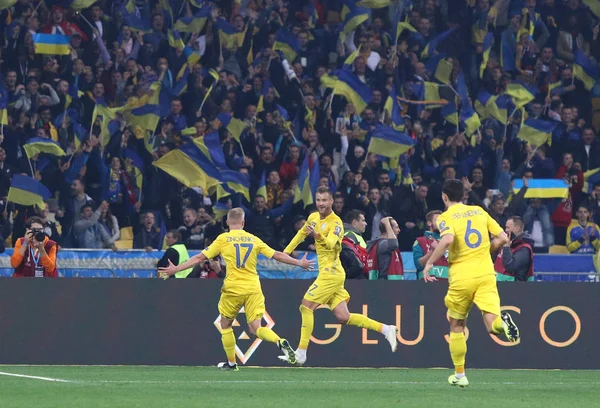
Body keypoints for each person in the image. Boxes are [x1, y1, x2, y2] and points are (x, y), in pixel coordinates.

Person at [158, 207, 315, 371]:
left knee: (226, 325)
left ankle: (232, 363)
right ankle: (279, 341)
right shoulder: (253, 239)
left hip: (233, 288)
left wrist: (176, 269)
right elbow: (277, 255)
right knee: (256, 328)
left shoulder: (223, 239)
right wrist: (299, 263)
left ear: (227, 222)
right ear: (243, 222)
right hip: (253, 287)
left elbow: (199, 257)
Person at [280, 186, 398, 366]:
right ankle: (386, 329)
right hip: (330, 273)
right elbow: (300, 234)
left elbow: (330, 243)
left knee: (306, 307)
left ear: (331, 201)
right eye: (318, 200)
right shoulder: (312, 218)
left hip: (331, 274)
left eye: (324, 200)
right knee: (344, 317)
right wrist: (286, 253)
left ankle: (301, 353)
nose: (321, 203)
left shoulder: (336, 223)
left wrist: (317, 235)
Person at [422, 179, 520, 387]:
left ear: (444, 197)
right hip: (486, 273)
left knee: (456, 324)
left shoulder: (445, 217)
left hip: (462, 275)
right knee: (493, 326)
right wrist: (485, 250)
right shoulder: (479, 211)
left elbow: (447, 240)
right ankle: (503, 322)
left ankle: (460, 375)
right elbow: (503, 237)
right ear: (464, 195)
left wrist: (429, 262)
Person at [495, 216, 535, 282]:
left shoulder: (524, 249)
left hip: (515, 289)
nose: (505, 230)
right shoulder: (508, 244)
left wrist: (506, 248)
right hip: (501, 287)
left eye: (508, 227)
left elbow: (510, 267)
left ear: (517, 228)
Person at [413, 211, 449, 281]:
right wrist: (432, 251)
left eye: (443, 221)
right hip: (426, 285)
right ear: (429, 223)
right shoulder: (420, 241)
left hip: (450, 286)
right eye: (438, 220)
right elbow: (418, 265)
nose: (441, 223)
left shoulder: (449, 241)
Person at [341, 210, 368, 279]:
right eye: (363, 221)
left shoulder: (356, 235)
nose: (365, 223)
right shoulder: (349, 235)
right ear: (354, 222)